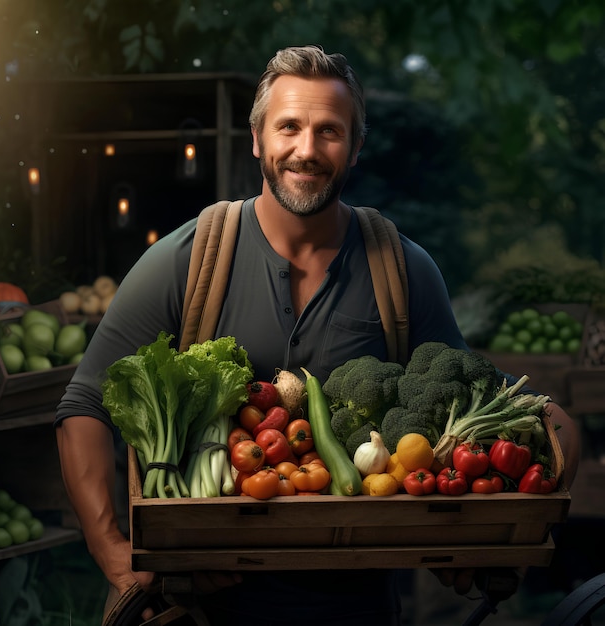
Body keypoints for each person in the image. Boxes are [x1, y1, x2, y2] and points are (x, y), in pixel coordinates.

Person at [55, 45, 580, 625]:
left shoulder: (402, 271)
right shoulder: (189, 260)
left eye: (329, 131)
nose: (306, 150)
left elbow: (477, 396)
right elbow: (84, 405)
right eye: (289, 126)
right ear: (258, 138)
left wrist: (506, 531)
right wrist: (112, 553)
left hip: (359, 610)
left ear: (355, 148)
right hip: (193, 609)